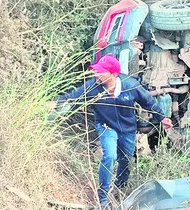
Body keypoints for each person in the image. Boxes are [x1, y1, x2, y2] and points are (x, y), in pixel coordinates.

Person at [56, 54, 172, 208]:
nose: (96, 74)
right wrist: (56, 104)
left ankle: (120, 188)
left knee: (126, 159)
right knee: (110, 156)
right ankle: (103, 195)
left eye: (100, 72)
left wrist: (162, 117)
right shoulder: (93, 86)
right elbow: (72, 97)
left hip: (128, 128)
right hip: (106, 126)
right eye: (96, 71)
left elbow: (148, 102)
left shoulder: (130, 85)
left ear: (113, 74)